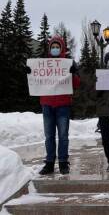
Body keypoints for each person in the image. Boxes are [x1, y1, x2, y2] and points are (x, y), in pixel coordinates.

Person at [26, 36, 80, 175]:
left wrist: (74, 74)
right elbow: (36, 81)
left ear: (61, 48)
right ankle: (49, 163)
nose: (55, 49)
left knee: (63, 136)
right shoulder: (44, 64)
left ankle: (63, 162)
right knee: (49, 136)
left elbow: (76, 84)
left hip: (63, 105)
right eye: (53, 47)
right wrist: (30, 73)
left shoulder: (67, 64)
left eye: (57, 47)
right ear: (50, 49)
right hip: (47, 104)